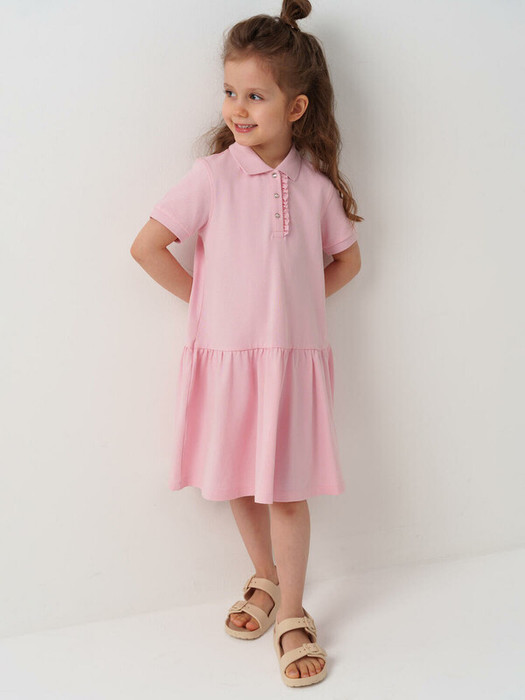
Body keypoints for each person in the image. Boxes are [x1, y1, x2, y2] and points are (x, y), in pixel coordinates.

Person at [130, 0, 362, 688]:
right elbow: (147, 247)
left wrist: (291, 312)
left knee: (285, 491)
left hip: (288, 366)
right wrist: (212, 306)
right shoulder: (212, 177)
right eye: (230, 92)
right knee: (238, 478)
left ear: (295, 107)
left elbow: (347, 261)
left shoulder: (313, 186)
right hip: (229, 362)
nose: (237, 107)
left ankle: (291, 611)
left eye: (255, 95)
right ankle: (263, 575)